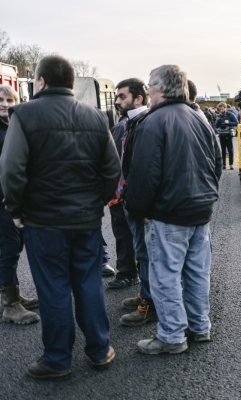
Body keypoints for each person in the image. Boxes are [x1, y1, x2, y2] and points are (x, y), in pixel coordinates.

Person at [0, 55, 121, 380]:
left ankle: (57, 359)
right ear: (70, 83)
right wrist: (99, 200)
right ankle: (100, 350)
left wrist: (16, 210)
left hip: (43, 221)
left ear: (40, 82)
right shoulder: (96, 117)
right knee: (89, 282)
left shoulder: (23, 115)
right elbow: (112, 168)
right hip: (86, 220)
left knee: (53, 287)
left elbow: (11, 170)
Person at [126, 64, 222, 355]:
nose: (147, 91)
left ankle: (171, 336)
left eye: (150, 86)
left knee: (165, 276)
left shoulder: (153, 122)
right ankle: (199, 326)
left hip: (168, 214)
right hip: (199, 210)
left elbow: (143, 174)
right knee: (197, 273)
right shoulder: (199, 117)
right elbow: (216, 162)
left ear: (162, 89)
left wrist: (139, 209)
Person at [0, 84, 39, 325]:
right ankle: (10, 304)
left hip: (15, 199)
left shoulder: (14, 127)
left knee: (14, 246)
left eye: (9, 100)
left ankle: (12, 291)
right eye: (0, 100)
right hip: (3, 200)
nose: (5, 104)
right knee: (9, 248)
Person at [105, 78, 147, 292]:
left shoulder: (124, 126)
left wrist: (115, 193)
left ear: (138, 99)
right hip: (127, 193)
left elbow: (115, 163)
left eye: (122, 97)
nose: (117, 101)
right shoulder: (134, 123)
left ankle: (127, 273)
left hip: (122, 194)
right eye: (116, 96)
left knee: (124, 234)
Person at [215, 102, 238, 170]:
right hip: (221, 135)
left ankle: (231, 164)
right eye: (220, 109)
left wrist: (229, 122)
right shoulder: (219, 116)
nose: (221, 111)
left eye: (222, 109)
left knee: (230, 150)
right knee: (223, 150)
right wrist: (218, 121)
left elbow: (237, 123)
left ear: (225, 108)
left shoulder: (230, 115)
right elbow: (216, 126)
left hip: (228, 134)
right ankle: (224, 164)